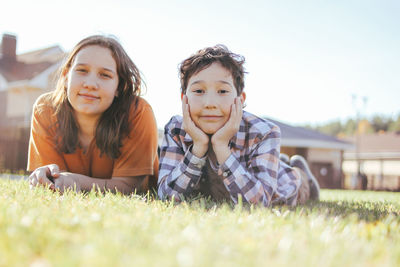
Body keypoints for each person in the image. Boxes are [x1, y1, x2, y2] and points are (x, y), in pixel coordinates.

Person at [158, 45, 320, 206]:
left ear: (240, 100)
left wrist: (221, 147)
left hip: (283, 184)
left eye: (222, 91)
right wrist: (198, 148)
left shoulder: (263, 132)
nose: (210, 103)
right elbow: (167, 196)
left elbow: (259, 203)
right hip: (248, 173)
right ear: (184, 98)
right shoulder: (176, 129)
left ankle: (301, 173)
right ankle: (282, 161)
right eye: (199, 91)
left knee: (299, 186)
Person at [27, 35, 159, 194]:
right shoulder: (45, 109)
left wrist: (76, 181)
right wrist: (45, 176)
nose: (90, 84)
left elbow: (131, 188)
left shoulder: (138, 111)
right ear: (66, 76)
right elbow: (54, 181)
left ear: (119, 86)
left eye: (105, 75)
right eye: (82, 70)